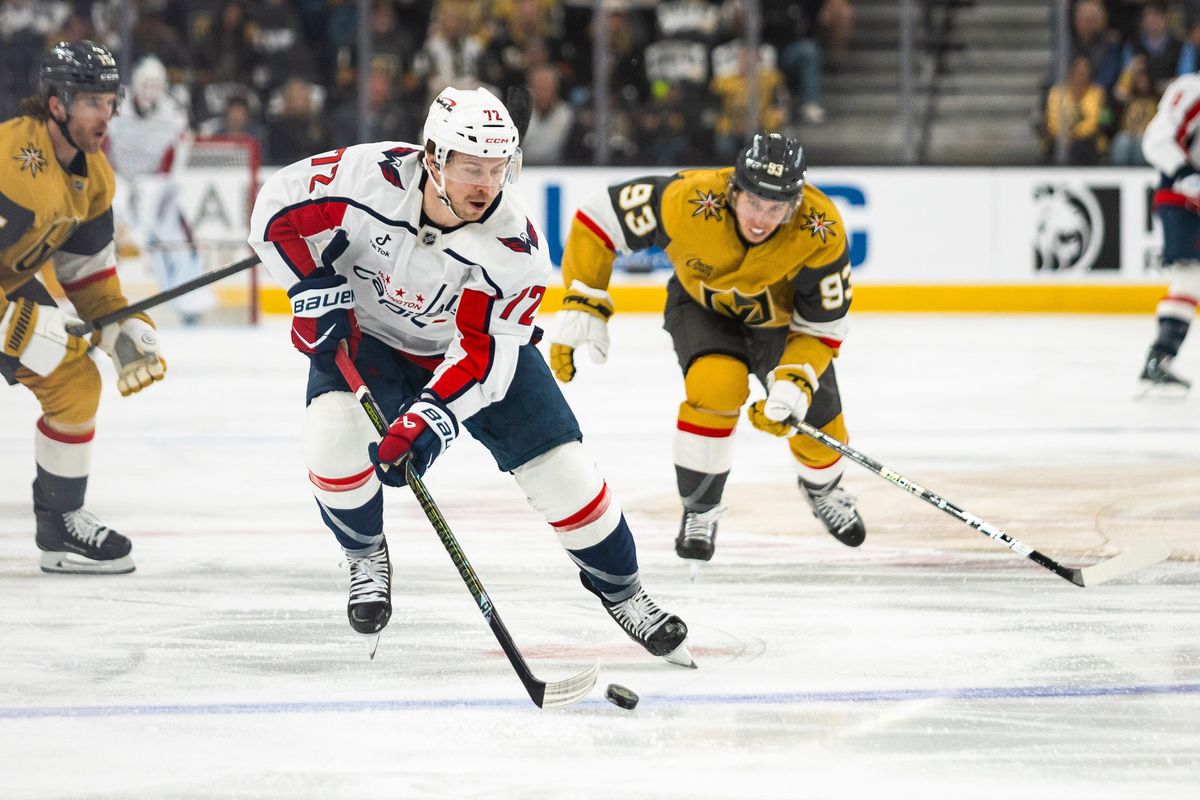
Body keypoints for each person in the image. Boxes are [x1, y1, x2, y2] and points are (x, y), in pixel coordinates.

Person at [246, 86, 693, 666]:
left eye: (498, 168)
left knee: (566, 474)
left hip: (465, 351)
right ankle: (364, 554)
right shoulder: (366, 176)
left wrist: (429, 421)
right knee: (332, 440)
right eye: (471, 168)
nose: (486, 185)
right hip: (370, 337)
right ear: (433, 158)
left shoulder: (515, 248)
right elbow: (274, 212)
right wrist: (312, 287)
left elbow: (482, 359)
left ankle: (623, 590)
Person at [549, 132, 865, 563]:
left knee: (814, 417)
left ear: (795, 205)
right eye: (754, 201)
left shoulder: (819, 227)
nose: (761, 218)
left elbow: (823, 325)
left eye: (776, 208)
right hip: (702, 309)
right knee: (715, 388)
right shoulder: (690, 199)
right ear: (733, 189)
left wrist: (793, 382)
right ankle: (700, 509)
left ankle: (824, 488)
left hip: (784, 327)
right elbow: (598, 217)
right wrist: (585, 295)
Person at [0, 40, 167, 574]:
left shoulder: (95, 178)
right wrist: (19, 321)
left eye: (110, 100)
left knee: (75, 380)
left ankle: (60, 526)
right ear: (56, 104)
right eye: (91, 101)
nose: (106, 114)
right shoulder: (11, 161)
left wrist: (120, 327)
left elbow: (89, 278)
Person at [107, 54, 215, 326]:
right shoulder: (115, 109)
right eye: (146, 83)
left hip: (155, 187)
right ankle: (89, 299)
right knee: (96, 236)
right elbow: (100, 146)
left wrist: (154, 191)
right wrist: (115, 185)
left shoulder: (173, 116)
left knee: (175, 237)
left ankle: (191, 302)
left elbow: (172, 163)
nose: (149, 91)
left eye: (156, 84)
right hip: (114, 180)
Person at [1138, 69, 1200, 392]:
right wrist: (1185, 172)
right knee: (1191, 277)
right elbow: (1156, 140)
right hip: (1182, 198)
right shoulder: (1192, 90)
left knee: (1191, 279)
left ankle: (1159, 358)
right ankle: (1159, 357)